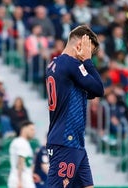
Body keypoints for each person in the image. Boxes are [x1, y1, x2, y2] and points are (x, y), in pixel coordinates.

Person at [45, 25, 104, 188]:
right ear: (79, 45)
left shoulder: (55, 64)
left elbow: (89, 91)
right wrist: (87, 61)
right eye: (88, 50)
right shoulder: (72, 64)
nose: (88, 55)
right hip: (66, 140)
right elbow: (99, 89)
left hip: (73, 142)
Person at [7, 120, 36, 188]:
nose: (34, 132)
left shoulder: (25, 143)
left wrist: (31, 175)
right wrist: (19, 181)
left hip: (25, 180)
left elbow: (27, 163)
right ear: (24, 129)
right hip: (21, 182)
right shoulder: (20, 142)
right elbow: (21, 161)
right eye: (31, 129)